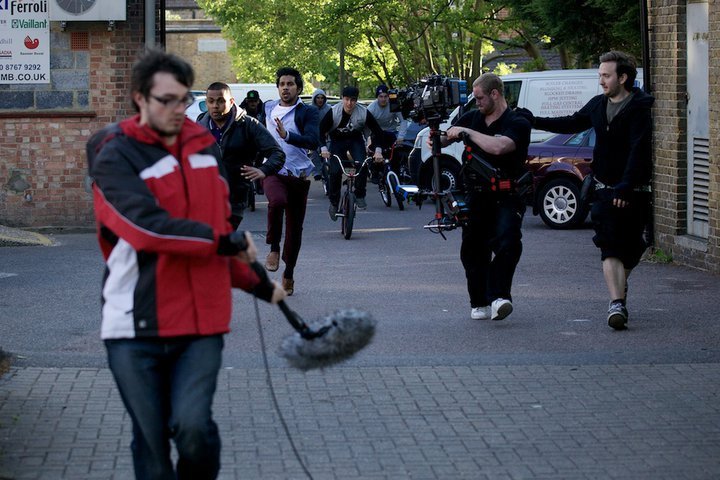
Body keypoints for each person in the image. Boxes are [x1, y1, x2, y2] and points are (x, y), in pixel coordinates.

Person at [86, 49, 286, 479]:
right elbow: (148, 229)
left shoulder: (204, 150)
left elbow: (218, 237)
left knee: (193, 429)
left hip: (201, 325)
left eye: (183, 100)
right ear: (140, 99)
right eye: (166, 101)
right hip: (134, 324)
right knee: (152, 442)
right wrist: (224, 241)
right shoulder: (115, 155)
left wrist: (259, 285)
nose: (178, 110)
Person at [527, 51, 654, 330]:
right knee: (609, 246)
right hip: (603, 189)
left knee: (633, 248)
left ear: (623, 77)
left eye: (606, 75)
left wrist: (626, 185)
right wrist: (534, 120)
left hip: (634, 191)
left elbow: (639, 151)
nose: (601, 81)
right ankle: (616, 304)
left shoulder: (640, 110)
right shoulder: (598, 105)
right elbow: (572, 122)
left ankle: (619, 288)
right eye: (599, 75)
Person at [435, 73, 531, 321]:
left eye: (479, 98)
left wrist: (465, 132)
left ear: (495, 94)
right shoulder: (473, 118)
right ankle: (479, 301)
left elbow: (500, 147)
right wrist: (439, 136)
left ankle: (500, 296)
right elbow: (443, 140)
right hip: (477, 194)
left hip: (508, 194)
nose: (476, 103)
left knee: (508, 241)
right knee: (473, 250)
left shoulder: (517, 120)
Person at [262, 67, 320, 295]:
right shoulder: (267, 108)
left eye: (290, 84)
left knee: (295, 229)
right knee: (276, 201)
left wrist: (288, 136)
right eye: (282, 84)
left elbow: (313, 141)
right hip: (273, 170)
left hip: (298, 176)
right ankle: (274, 248)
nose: (285, 87)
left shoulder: (307, 112)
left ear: (298, 88)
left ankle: (289, 273)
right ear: (278, 87)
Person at [197, 82, 285, 229]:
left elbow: (277, 153)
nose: (215, 106)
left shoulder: (248, 124)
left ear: (231, 101)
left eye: (220, 101)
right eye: (211, 101)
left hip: (234, 198)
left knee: (221, 240)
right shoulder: (200, 126)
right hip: (204, 197)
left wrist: (263, 170)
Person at [320, 86, 385, 217]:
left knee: (362, 163)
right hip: (337, 141)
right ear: (342, 99)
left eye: (353, 100)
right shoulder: (334, 111)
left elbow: (378, 132)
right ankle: (334, 202)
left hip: (355, 140)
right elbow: (320, 130)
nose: (349, 103)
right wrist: (323, 148)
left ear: (357, 100)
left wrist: (378, 150)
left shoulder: (363, 112)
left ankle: (360, 194)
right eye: (347, 99)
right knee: (335, 171)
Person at [309, 88, 331, 181]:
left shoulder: (329, 109)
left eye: (322, 98)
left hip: (327, 135)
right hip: (314, 135)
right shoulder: (309, 109)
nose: (320, 100)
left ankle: (331, 169)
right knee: (314, 151)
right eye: (318, 98)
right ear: (314, 98)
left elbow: (333, 122)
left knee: (331, 150)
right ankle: (317, 172)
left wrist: (328, 131)